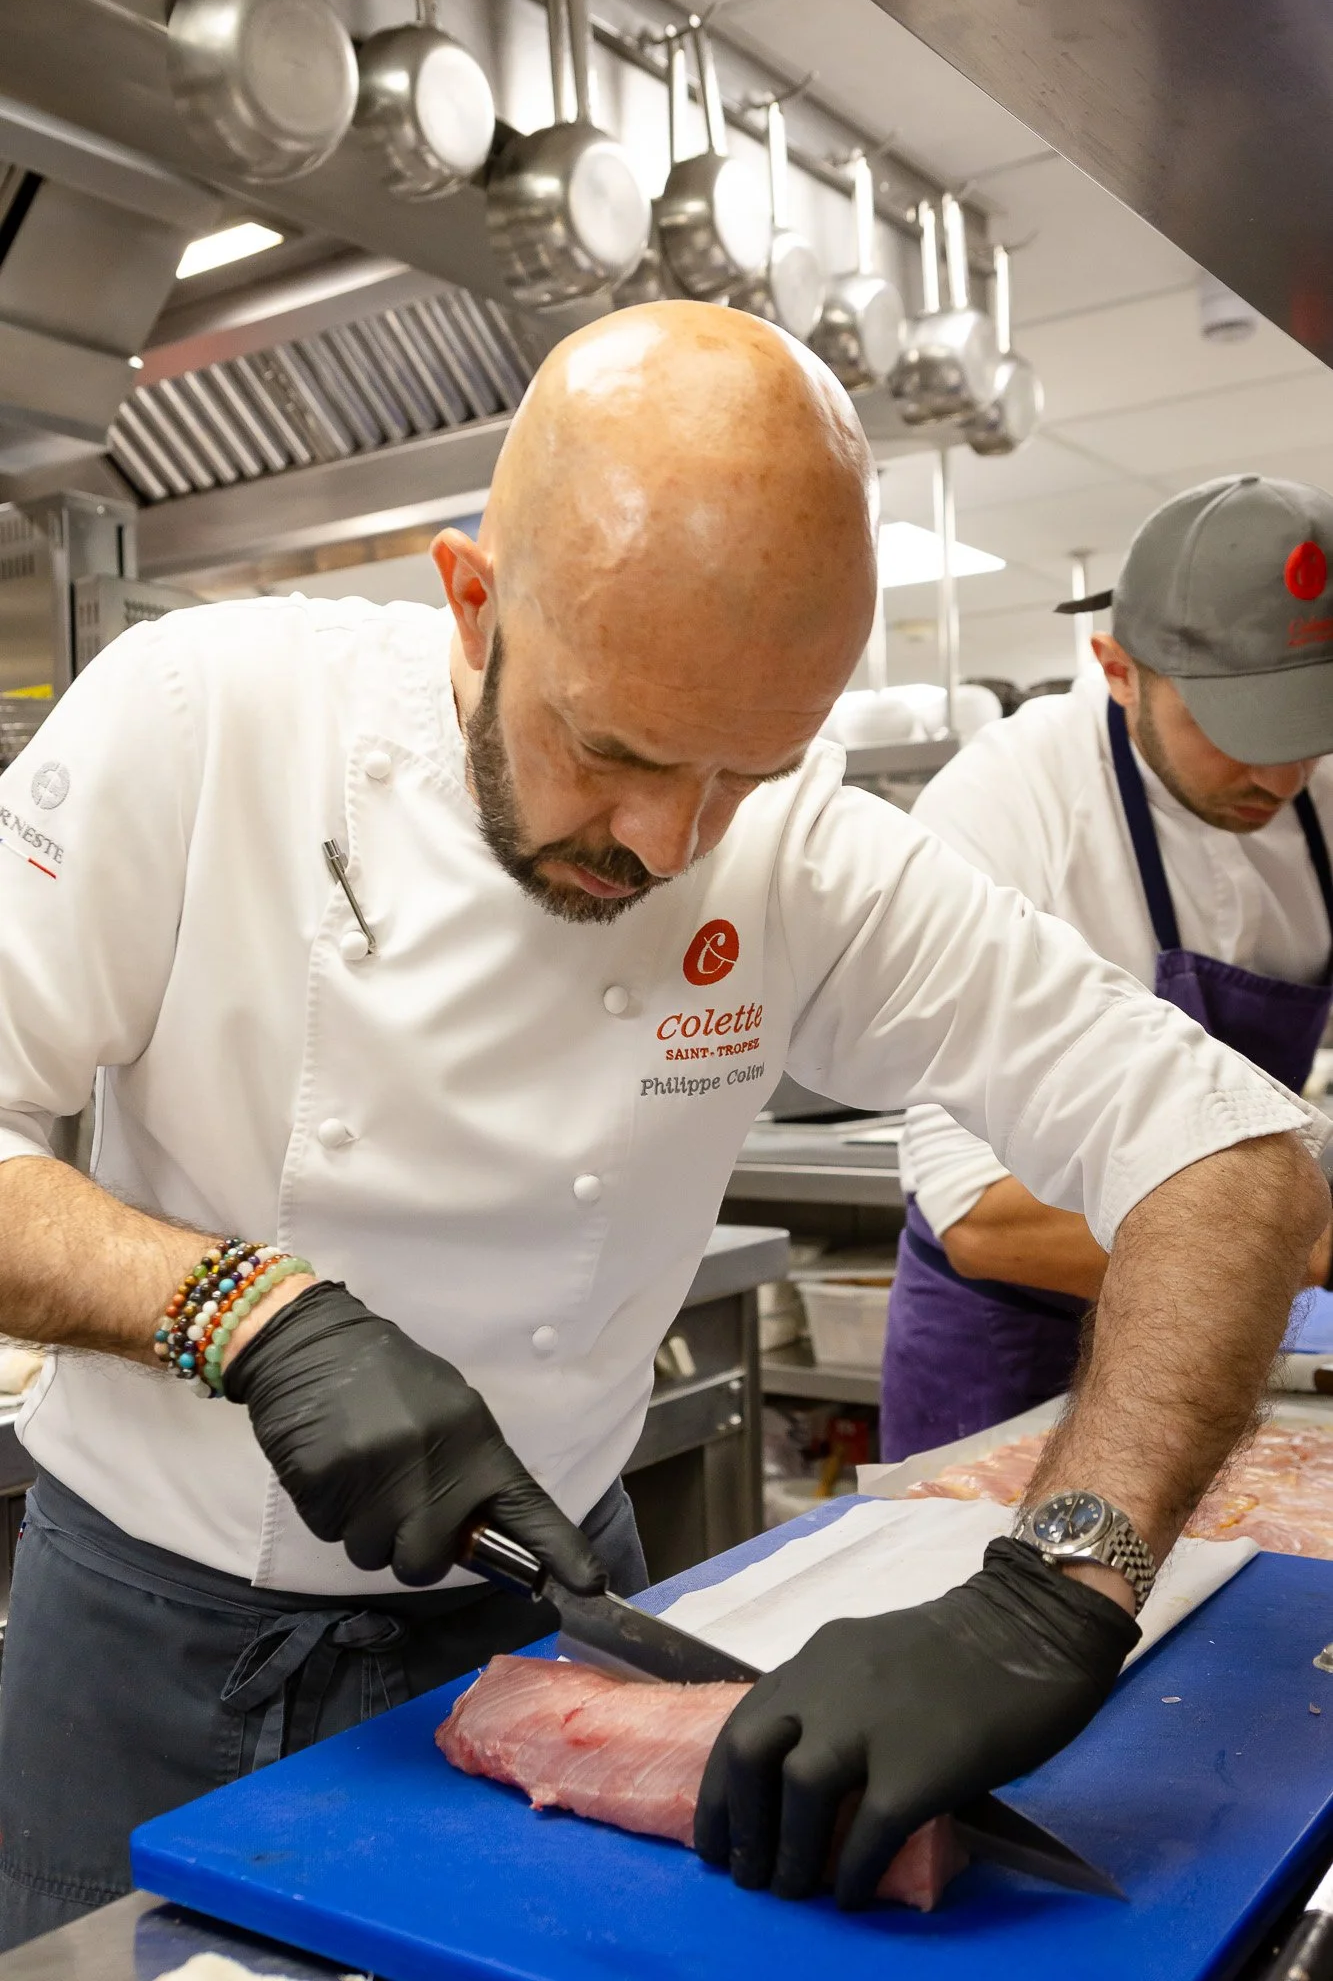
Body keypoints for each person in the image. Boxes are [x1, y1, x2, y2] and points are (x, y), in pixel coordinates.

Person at [0, 314, 1324, 1939]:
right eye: (610, 752)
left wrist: (1061, 1585)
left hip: (554, 1617)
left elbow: (1229, 1160)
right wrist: (239, 1312)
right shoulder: (199, 725)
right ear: (472, 607)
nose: (667, 841)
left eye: (743, 776)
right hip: (150, 1625)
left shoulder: (813, 859)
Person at [881, 473, 1333, 1461]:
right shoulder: (1001, 807)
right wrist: (1290, 1233)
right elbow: (978, 1218)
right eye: (1234, 732)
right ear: (1117, 668)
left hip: (1231, 1305)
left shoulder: (1318, 786)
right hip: (1007, 1329)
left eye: (1304, 728)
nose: (1281, 777)